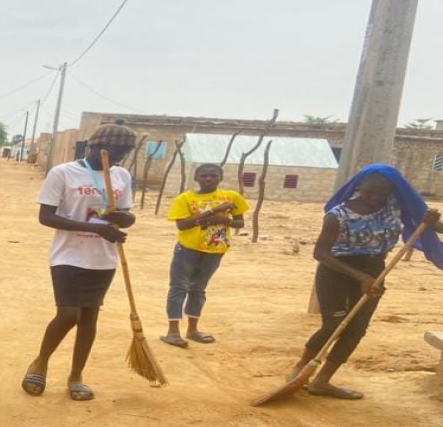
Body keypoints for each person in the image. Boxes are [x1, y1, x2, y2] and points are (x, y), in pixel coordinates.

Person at [287, 165, 443, 399]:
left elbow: (433, 228)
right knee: (333, 325)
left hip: (376, 270)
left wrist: (430, 220)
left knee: (357, 328)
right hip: (337, 271)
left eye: (382, 193)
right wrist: (360, 277)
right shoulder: (337, 215)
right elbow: (320, 253)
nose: (375, 198)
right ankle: (300, 368)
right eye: (370, 192)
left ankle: (322, 381)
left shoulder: (394, 207)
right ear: (359, 187)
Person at [22, 123, 137, 401]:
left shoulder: (121, 175)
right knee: (69, 314)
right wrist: (98, 228)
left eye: (126, 152)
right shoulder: (63, 173)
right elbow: (46, 217)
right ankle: (40, 361)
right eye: (117, 150)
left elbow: (128, 216)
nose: (121, 157)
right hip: (69, 255)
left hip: (104, 258)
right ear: (98, 147)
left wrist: (122, 220)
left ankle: (76, 376)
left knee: (89, 317)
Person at [161, 163, 250, 347]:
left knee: (198, 289)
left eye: (213, 175)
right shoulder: (185, 198)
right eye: (204, 176)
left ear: (220, 178)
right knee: (179, 287)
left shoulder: (232, 197)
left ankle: (192, 330)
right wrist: (214, 211)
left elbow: (240, 222)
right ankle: (173, 331)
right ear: (196, 178)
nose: (209, 179)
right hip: (188, 248)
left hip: (215, 250)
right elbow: (182, 225)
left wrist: (224, 220)